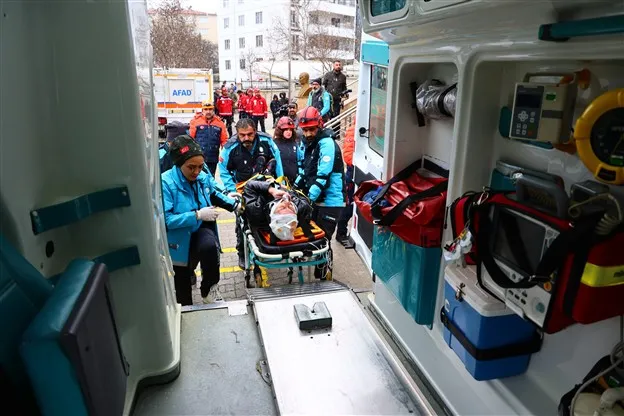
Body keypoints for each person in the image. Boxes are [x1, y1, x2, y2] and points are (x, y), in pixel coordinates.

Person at [161, 135, 242, 305]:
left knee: (210, 247)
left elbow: (213, 194)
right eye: (191, 167)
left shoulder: (202, 178)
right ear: (179, 164)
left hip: (200, 229)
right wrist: (196, 215)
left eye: (200, 166)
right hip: (179, 238)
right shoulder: (166, 183)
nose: (197, 171)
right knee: (183, 285)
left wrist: (235, 205)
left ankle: (209, 290)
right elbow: (167, 220)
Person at [218, 118, 284, 285]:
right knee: (242, 224)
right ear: (237, 134)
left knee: (268, 219)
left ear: (255, 132)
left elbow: (278, 163)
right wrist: (232, 191)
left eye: (249, 134)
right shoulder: (230, 148)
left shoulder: (267, 142)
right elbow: (223, 171)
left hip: (266, 188)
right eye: (242, 135)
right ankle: (242, 252)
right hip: (242, 190)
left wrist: (280, 184)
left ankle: (267, 248)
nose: (246, 138)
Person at [294, 106, 345, 280]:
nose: (308, 133)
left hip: (331, 201)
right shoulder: (307, 143)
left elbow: (323, 176)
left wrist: (307, 199)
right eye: (305, 130)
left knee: (323, 240)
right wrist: (294, 189)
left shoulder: (327, 144)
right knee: (312, 237)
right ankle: (317, 272)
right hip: (317, 199)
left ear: (320, 125)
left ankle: (324, 277)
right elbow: (305, 170)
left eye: (312, 129)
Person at [189, 100, 229, 176]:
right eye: (206, 109)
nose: (208, 111)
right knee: (198, 178)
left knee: (211, 178)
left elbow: (224, 141)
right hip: (198, 157)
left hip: (213, 158)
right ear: (202, 110)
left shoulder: (220, 123)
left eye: (210, 109)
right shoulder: (195, 121)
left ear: (213, 110)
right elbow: (190, 139)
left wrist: (225, 156)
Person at [335, 119, 356, 247]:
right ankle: (341, 233)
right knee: (348, 205)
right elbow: (348, 155)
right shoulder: (353, 130)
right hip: (353, 173)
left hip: (355, 171)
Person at [273, 116, 304, 184]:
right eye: (286, 130)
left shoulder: (294, 144)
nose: (289, 132)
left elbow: (300, 159)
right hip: (279, 183)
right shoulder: (274, 145)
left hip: (294, 181)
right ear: (280, 130)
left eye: (290, 130)